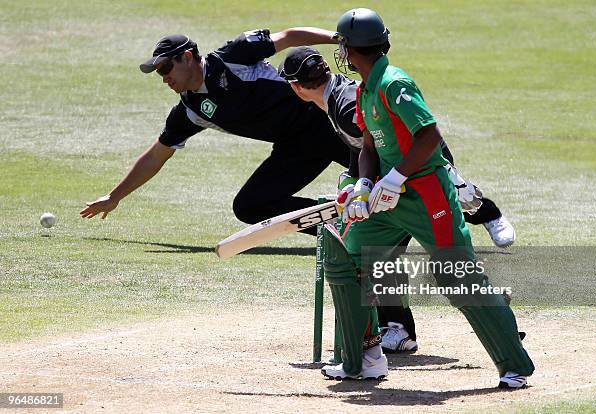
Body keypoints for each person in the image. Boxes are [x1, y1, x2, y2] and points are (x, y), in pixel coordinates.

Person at [311, 8, 534, 387]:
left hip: (427, 194)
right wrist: (365, 185)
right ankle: (363, 358)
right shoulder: (365, 88)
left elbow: (429, 136)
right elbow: (368, 145)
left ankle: (514, 365)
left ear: (349, 49)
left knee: (456, 278)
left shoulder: (394, 83)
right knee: (348, 260)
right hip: (386, 198)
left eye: (343, 46)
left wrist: (396, 177)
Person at [278, 46, 516, 354]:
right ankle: (398, 330)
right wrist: (357, 183)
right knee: (374, 254)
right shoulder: (342, 98)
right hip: (396, 187)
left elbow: (416, 139)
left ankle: (487, 295)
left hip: (411, 188)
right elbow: (365, 148)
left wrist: (449, 177)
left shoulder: (348, 104)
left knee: (390, 257)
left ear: (297, 87)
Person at [80, 28, 349, 236]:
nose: (164, 78)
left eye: (165, 68)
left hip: (333, 125)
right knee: (250, 206)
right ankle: (340, 225)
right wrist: (114, 197)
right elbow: (155, 156)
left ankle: (379, 229)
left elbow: (290, 36)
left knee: (382, 179)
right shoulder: (190, 111)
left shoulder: (234, 56)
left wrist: (340, 39)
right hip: (296, 148)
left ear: (186, 57)